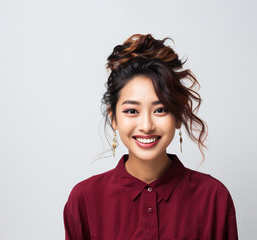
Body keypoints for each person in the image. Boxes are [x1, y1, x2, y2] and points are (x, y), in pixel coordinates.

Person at [63, 34, 238, 240]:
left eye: (160, 109)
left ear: (178, 115)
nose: (146, 126)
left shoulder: (213, 198)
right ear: (114, 118)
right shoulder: (84, 200)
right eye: (131, 111)